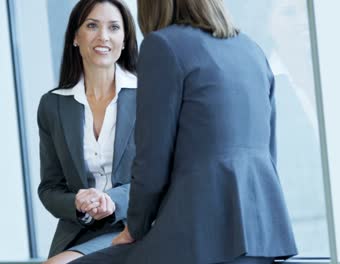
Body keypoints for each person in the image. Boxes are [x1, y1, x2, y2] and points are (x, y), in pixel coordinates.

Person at [72, 0, 297, 263]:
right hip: (263, 233)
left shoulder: (163, 45)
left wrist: (135, 227)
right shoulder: (251, 49)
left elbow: (152, 159)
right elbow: (269, 151)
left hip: (197, 233)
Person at [37, 0, 138, 263]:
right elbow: (49, 188)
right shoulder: (53, 105)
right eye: (92, 25)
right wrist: (78, 202)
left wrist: (110, 199)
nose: (103, 36)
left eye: (114, 27)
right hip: (78, 231)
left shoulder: (149, 96)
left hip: (135, 224)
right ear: (75, 36)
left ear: (125, 40)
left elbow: (163, 176)